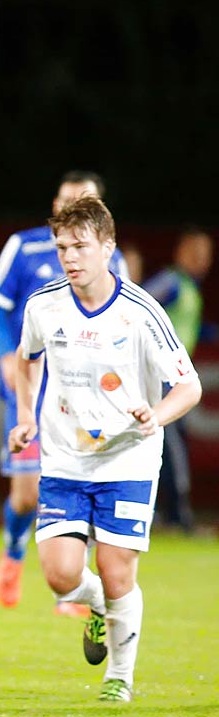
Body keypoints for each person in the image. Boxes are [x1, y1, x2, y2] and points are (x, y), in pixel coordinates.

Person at [8, 196, 200, 703]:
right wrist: (26, 415)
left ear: (107, 246)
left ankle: (120, 676)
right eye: (62, 247)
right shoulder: (44, 304)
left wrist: (154, 416)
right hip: (66, 456)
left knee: (118, 575)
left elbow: (189, 387)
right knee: (60, 575)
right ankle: (94, 609)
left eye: (80, 246)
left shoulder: (141, 313)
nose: (70, 257)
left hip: (128, 458)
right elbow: (25, 360)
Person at [0, 171, 123, 612]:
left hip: (87, 400)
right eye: (67, 200)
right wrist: (8, 355)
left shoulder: (111, 262)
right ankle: (13, 552)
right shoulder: (26, 248)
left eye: (86, 200)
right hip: (34, 392)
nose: (74, 207)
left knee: (84, 487)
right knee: (26, 494)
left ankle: (72, 588)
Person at [143, 229, 214, 535]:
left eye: (206, 254)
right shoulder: (171, 282)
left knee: (172, 447)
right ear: (180, 253)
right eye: (195, 252)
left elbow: (189, 329)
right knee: (171, 449)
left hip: (177, 379)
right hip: (162, 378)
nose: (201, 260)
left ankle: (168, 515)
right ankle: (177, 517)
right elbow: (141, 305)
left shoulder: (188, 288)